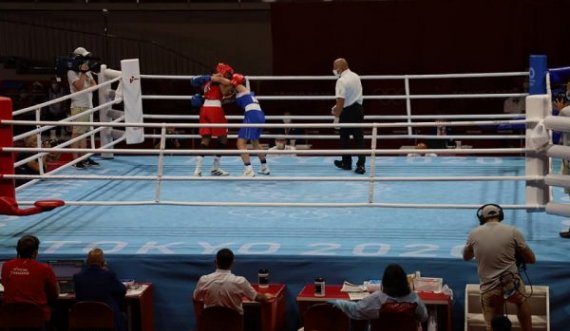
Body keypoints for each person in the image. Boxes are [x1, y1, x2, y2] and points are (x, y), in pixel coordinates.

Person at [463, 204, 536, 331]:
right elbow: (531, 259)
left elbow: (466, 256)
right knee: (521, 302)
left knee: (492, 323)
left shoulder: (473, 234)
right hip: (512, 284)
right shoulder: (513, 231)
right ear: (500, 215)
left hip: (489, 288)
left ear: (482, 218)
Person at [329, 263, 428, 324]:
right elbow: (423, 317)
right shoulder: (414, 298)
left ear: (385, 281)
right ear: (404, 280)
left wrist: (337, 302)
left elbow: (356, 309)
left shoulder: (376, 298)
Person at [193, 248, 271, 315]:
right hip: (234, 325)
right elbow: (257, 298)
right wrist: (265, 297)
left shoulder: (204, 280)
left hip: (208, 325)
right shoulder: (240, 282)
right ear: (232, 263)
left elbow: (196, 298)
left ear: (215, 262)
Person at [0, 235, 59, 324]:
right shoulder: (45, 268)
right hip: (37, 318)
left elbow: (5, 284)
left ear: (18, 251)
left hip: (11, 318)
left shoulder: (6, 266)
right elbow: (54, 294)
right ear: (35, 253)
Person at [191, 63, 235, 177]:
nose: (229, 75)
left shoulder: (208, 81)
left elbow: (219, 96)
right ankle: (215, 168)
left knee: (205, 138)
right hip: (215, 110)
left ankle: (197, 170)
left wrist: (229, 98)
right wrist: (234, 83)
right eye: (228, 73)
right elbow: (225, 91)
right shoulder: (219, 79)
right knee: (223, 137)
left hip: (204, 109)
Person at [222, 73, 270, 177]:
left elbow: (228, 86)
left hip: (252, 114)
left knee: (240, 143)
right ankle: (265, 168)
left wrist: (222, 79)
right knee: (255, 143)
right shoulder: (245, 93)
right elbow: (227, 97)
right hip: (260, 115)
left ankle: (249, 170)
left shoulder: (240, 87)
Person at [73, 248, 128, 331]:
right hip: (107, 319)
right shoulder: (108, 275)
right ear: (103, 262)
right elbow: (122, 290)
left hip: (84, 320)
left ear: (87, 261)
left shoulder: (77, 277)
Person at [331, 58, 366, 175]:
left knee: (344, 137)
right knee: (359, 138)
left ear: (339, 68)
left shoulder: (341, 81)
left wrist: (336, 117)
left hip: (347, 111)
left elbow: (341, 102)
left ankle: (346, 163)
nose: (334, 70)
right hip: (359, 109)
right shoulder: (356, 76)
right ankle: (361, 165)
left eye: (335, 68)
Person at [67, 46, 99, 169]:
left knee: (83, 134)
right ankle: (76, 160)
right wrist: (83, 73)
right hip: (78, 106)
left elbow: (95, 86)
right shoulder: (71, 72)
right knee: (76, 133)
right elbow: (79, 87)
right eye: (84, 58)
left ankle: (84, 158)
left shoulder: (87, 70)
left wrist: (86, 72)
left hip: (88, 105)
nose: (86, 61)